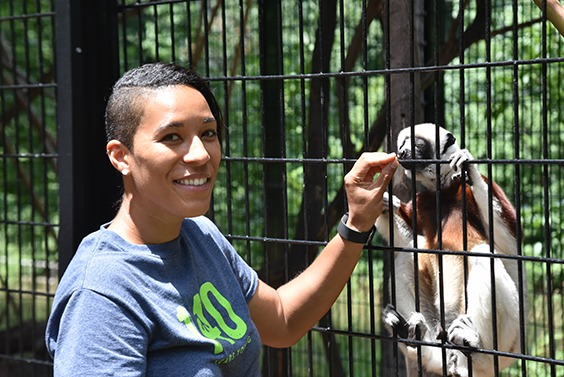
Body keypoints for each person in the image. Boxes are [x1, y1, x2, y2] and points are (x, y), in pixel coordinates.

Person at [45, 62, 398, 376]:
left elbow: (282, 320)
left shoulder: (200, 234)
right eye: (172, 137)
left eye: (208, 133)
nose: (200, 154)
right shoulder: (101, 292)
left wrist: (356, 224)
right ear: (121, 156)